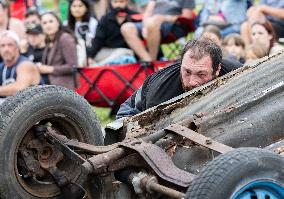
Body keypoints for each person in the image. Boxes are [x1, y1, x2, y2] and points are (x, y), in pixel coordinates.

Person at [117, 38, 241, 119]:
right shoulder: (160, 95)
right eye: (187, 72)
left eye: (201, 74)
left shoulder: (236, 72)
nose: (192, 82)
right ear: (180, 64)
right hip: (133, 111)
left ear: (217, 69)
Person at [120, 0, 196, 61]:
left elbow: (187, 16)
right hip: (151, 22)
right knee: (126, 28)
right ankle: (148, 60)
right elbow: (148, 12)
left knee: (153, 23)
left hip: (173, 25)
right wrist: (145, 26)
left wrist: (164, 18)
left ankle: (153, 60)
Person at [87, 0, 138, 66]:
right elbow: (98, 40)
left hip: (128, 52)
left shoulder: (135, 17)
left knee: (125, 52)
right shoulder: (105, 19)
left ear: (126, 2)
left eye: (121, 2)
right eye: (115, 2)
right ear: (111, 2)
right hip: (108, 51)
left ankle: (99, 66)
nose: (118, 4)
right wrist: (90, 56)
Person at [40, 12, 77, 89]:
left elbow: (72, 66)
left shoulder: (65, 38)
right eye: (44, 23)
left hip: (66, 87)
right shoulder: (49, 40)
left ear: (58, 23)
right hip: (51, 86)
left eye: (51, 21)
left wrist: (50, 69)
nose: (48, 25)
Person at [0, 30, 40, 100]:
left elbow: (20, 88)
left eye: (10, 45)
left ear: (17, 47)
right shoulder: (1, 67)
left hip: (36, 107)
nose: (6, 49)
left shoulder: (25, 64)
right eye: (2, 46)